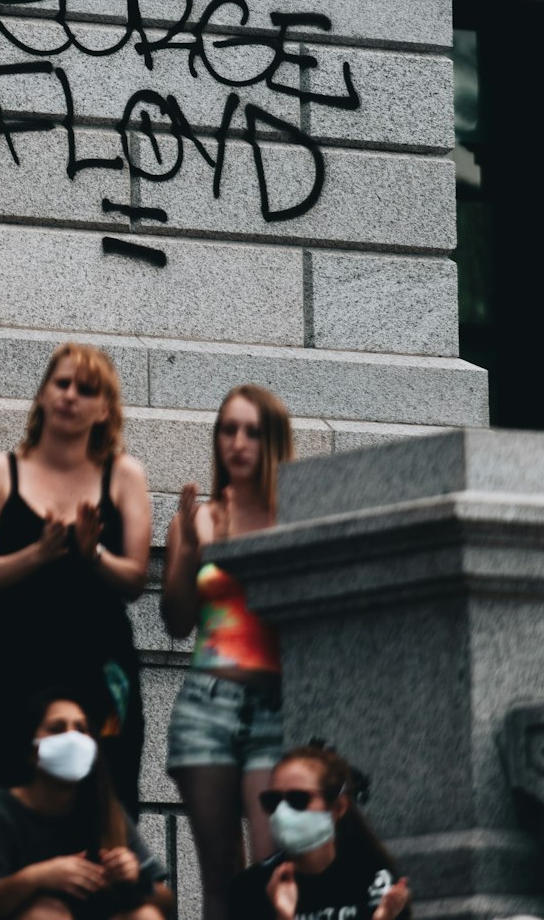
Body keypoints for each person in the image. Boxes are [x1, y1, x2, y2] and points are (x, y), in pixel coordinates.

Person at [0, 344, 150, 814]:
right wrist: (39, 553)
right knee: (13, 793)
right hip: (18, 661)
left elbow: (134, 579)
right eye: (61, 384)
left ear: (105, 409)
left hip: (100, 662)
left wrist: (93, 555)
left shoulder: (123, 475)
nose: (70, 396)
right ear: (42, 394)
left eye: (86, 390)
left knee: (107, 797)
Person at [160, 385, 294, 920]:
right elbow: (175, 621)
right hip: (205, 702)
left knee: (271, 869)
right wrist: (188, 557)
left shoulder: (296, 516)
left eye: (252, 432)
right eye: (227, 430)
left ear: (274, 442)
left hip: (273, 706)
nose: (237, 443)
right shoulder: (199, 519)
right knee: (219, 876)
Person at [0, 690, 173, 920]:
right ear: (32, 750)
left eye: (81, 729)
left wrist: (136, 877)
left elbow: (166, 902)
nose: (72, 738)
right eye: (57, 728)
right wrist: (36, 878)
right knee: (46, 914)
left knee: (145, 916)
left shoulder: (105, 810)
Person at [228, 744, 411, 920]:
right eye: (273, 800)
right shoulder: (251, 887)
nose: (282, 812)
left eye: (298, 799)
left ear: (338, 807)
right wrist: (283, 915)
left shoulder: (372, 879)